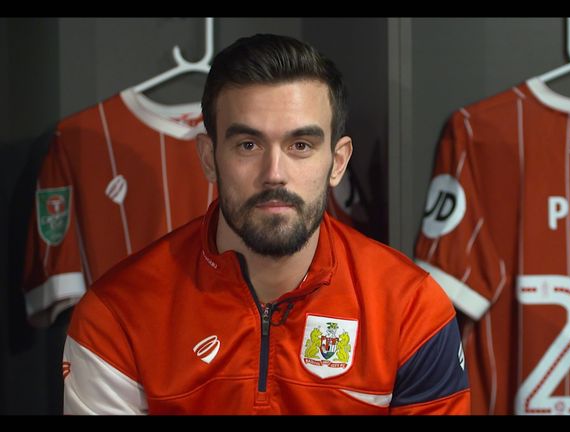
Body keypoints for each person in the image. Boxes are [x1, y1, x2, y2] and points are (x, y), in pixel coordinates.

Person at [62, 33, 470, 415]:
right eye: (248, 145)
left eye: (301, 146)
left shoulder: (412, 309)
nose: (274, 173)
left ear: (338, 162)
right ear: (209, 157)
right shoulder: (116, 315)